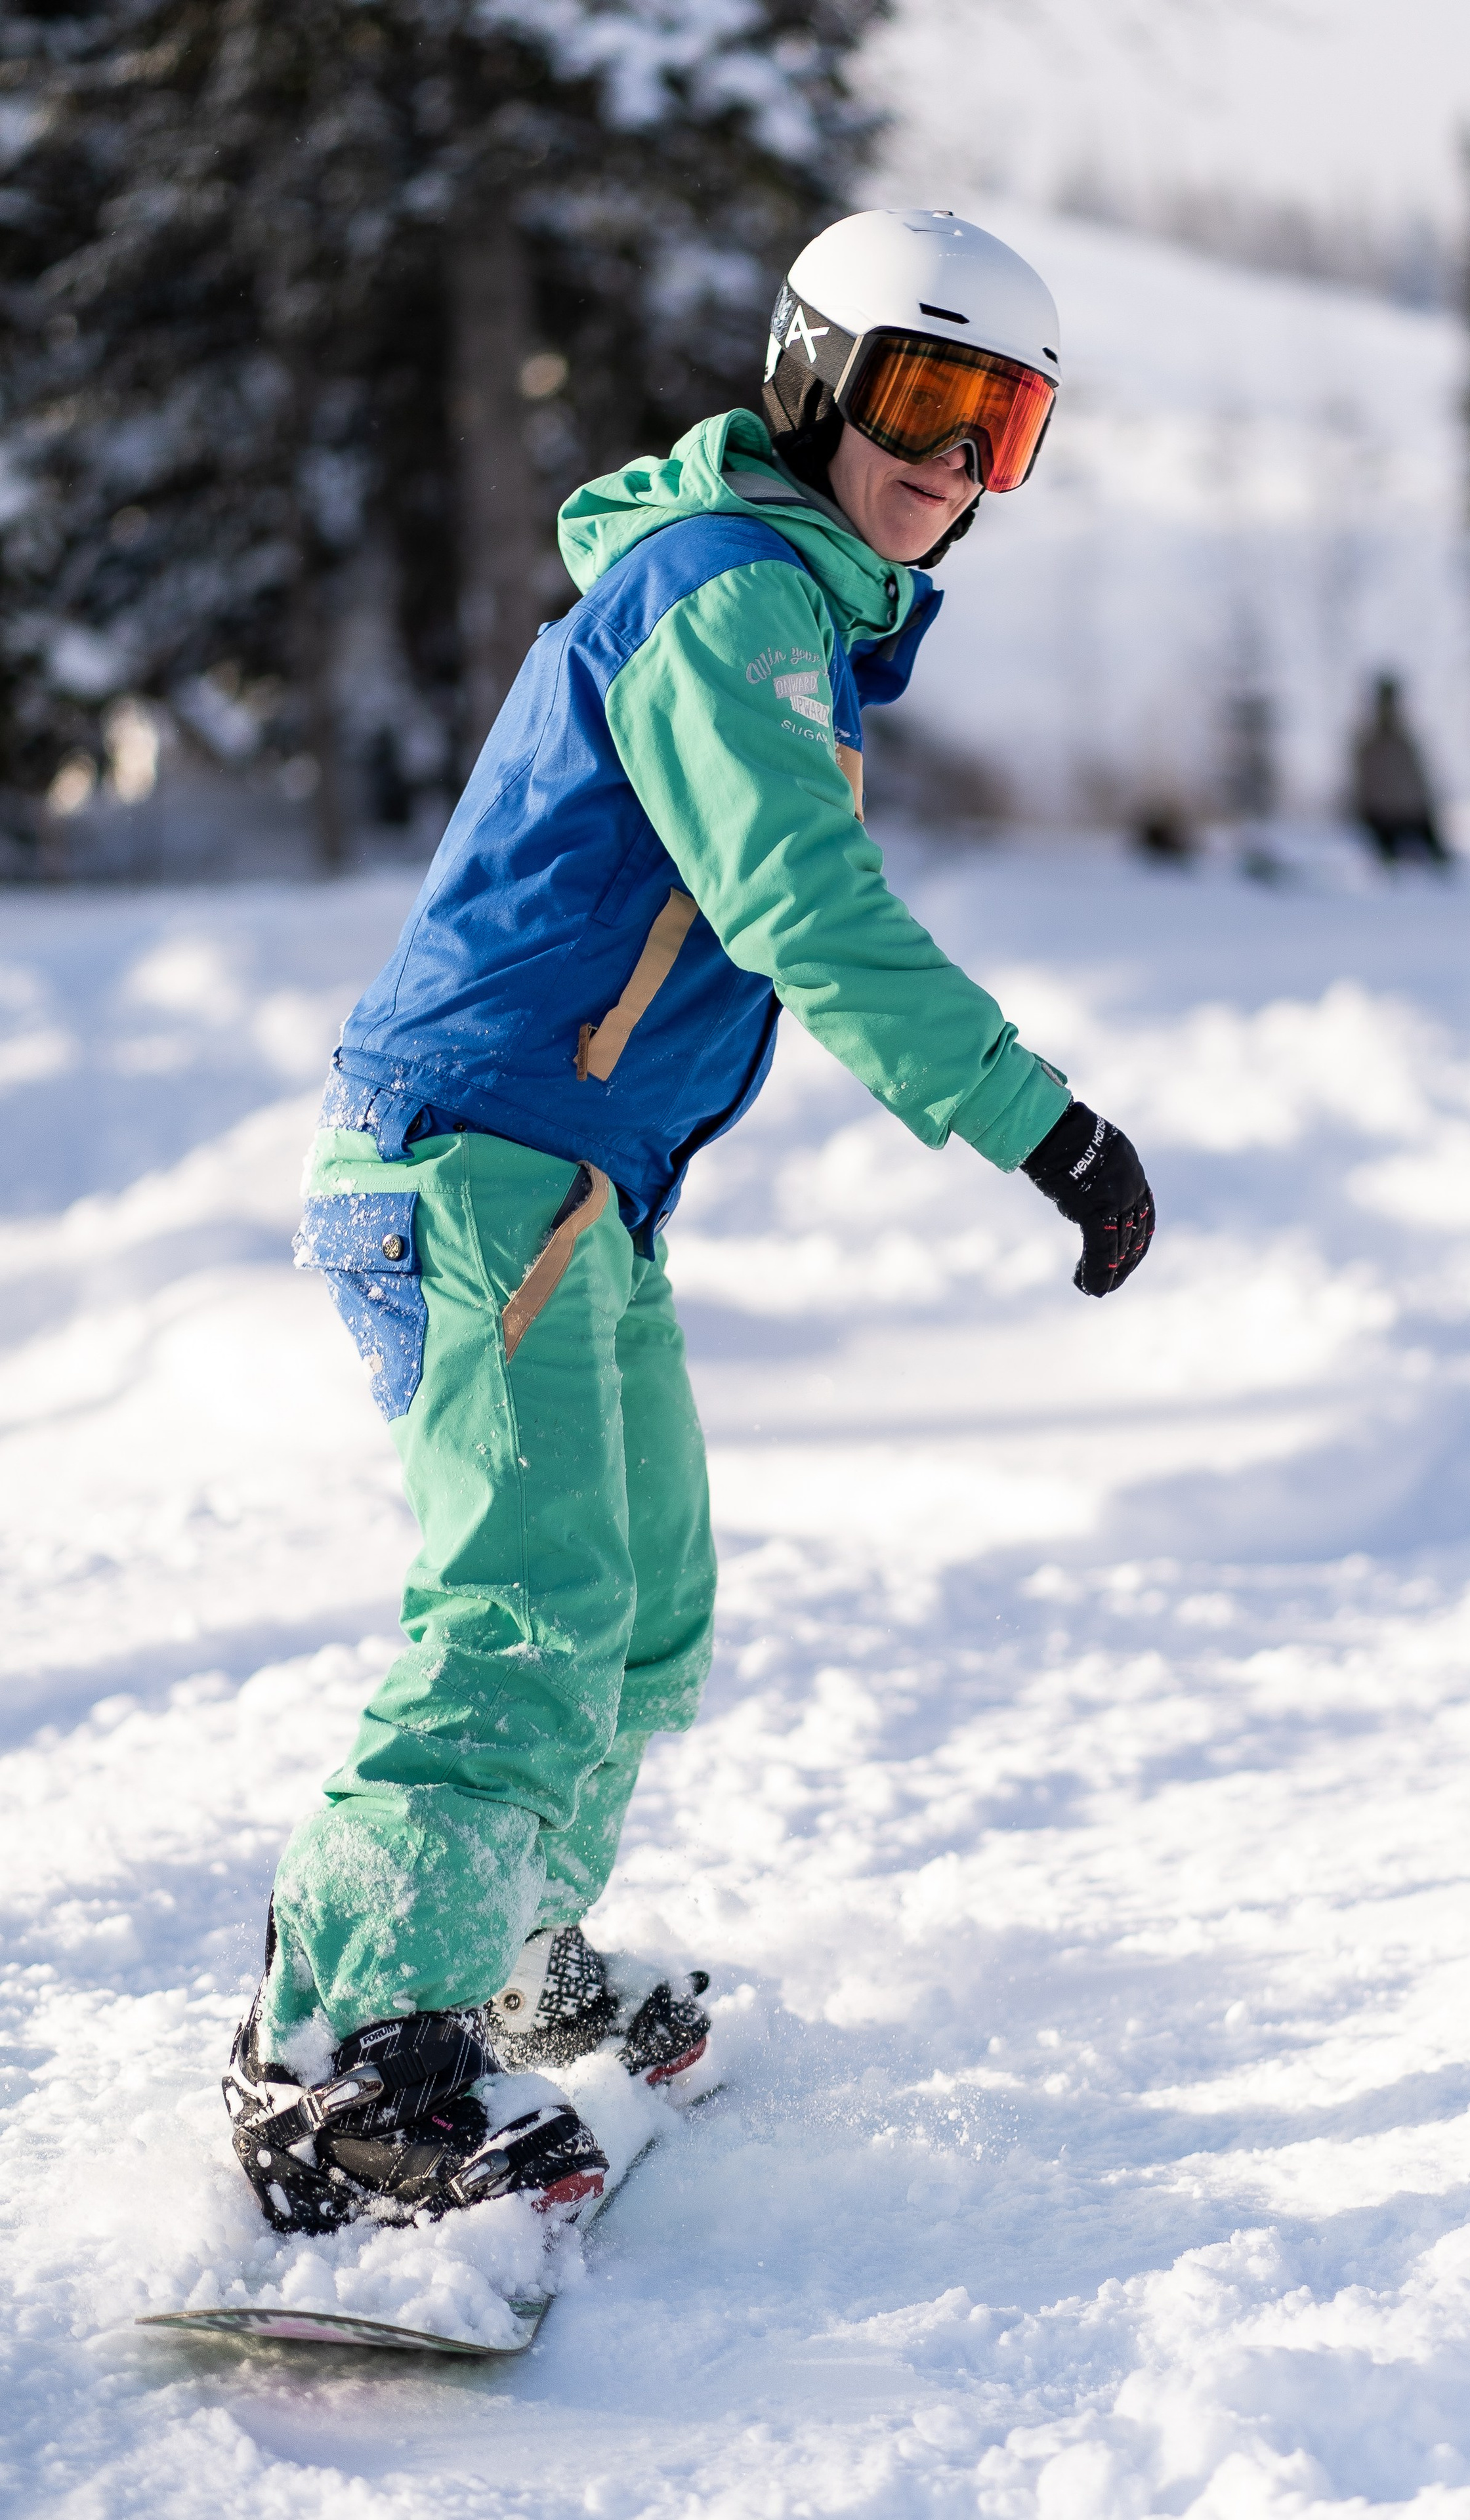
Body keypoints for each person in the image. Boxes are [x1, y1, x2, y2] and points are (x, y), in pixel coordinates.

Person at [224, 210, 1156, 2233]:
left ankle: (500, 1969)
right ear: (814, 374)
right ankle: (339, 2070)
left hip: (565, 1176)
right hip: (475, 1158)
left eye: (1003, 429)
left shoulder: (783, 602)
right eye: (922, 398)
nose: (950, 463)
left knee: (637, 1605)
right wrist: (1036, 1122)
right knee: (526, 1610)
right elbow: (796, 902)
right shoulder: (725, 593)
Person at [1351, 673, 1452, 869]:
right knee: (1390, 870)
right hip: (1385, 815)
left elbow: (1417, 775)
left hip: (1412, 810)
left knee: (1437, 864)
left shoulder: (1403, 739)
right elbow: (1364, 779)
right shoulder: (1372, 741)